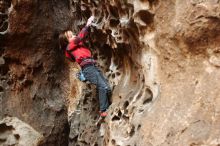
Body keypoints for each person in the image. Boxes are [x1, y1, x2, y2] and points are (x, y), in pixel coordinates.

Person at [59, 16, 111, 117]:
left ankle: (106, 107)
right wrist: (88, 24)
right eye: (70, 36)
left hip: (92, 67)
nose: (74, 36)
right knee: (103, 86)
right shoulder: (69, 47)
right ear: (66, 42)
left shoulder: (76, 47)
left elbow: (79, 41)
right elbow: (80, 38)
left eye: (73, 34)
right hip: (88, 69)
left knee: (107, 88)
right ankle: (103, 110)